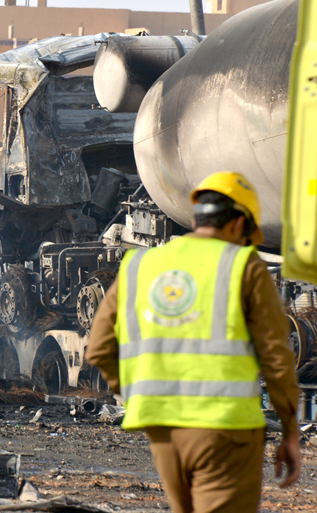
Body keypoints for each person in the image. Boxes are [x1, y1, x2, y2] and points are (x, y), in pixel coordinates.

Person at [87, 171, 301, 513]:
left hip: (162, 431)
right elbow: (277, 358)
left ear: (196, 218)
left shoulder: (140, 264)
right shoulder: (244, 266)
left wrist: (135, 390)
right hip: (226, 431)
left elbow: (98, 347)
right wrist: (290, 432)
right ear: (236, 226)